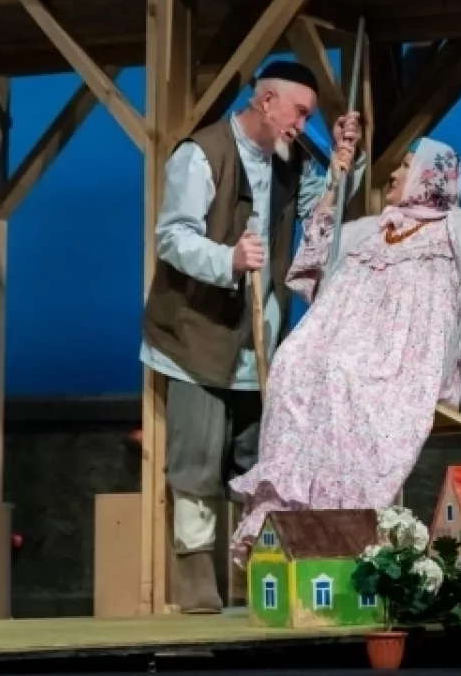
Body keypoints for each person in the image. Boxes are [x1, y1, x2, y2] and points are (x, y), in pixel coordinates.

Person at [228, 121, 461, 565]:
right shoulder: (370, 230)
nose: (393, 175)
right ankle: (291, 506)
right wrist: (335, 184)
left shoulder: (459, 230)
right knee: (292, 360)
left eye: (406, 166)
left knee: (346, 375)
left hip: (402, 357)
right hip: (346, 344)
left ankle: (343, 516)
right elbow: (316, 249)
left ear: (430, 177)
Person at [140, 60, 366, 613]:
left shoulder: (292, 160)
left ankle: (253, 569)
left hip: (261, 340)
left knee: (257, 460)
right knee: (197, 456)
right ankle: (196, 574)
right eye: (300, 114)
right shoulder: (204, 154)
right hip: (198, 336)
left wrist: (343, 167)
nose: (304, 126)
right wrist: (229, 259)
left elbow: (320, 220)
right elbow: (172, 236)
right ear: (267, 103)